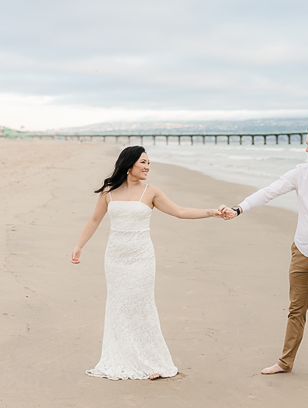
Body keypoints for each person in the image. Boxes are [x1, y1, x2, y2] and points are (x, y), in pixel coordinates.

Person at [219, 123, 308, 385]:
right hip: (301, 252)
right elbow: (268, 192)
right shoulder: (300, 173)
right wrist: (238, 209)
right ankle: (285, 363)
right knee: (296, 310)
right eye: (306, 143)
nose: (306, 148)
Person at [71, 145, 224, 380]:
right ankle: (122, 359)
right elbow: (94, 220)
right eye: (143, 162)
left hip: (141, 258)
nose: (147, 167)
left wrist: (212, 212)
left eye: (148, 163)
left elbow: (180, 211)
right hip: (115, 259)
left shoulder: (151, 192)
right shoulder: (109, 193)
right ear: (129, 164)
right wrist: (79, 245)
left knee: (142, 306)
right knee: (119, 307)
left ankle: (151, 361)